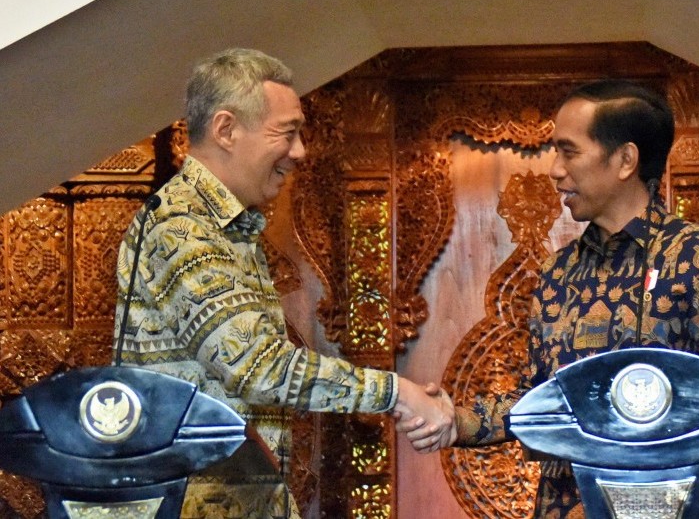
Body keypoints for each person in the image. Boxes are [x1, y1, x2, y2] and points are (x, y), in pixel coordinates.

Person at [114, 48, 455, 518]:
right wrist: (397, 393)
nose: (299, 152)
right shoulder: (181, 226)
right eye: (287, 133)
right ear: (226, 130)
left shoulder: (224, 226)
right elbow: (257, 367)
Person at [402, 79, 699, 517]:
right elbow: (543, 401)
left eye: (569, 151)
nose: (555, 169)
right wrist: (455, 419)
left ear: (624, 159)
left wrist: (651, 506)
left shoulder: (698, 258)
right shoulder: (559, 272)